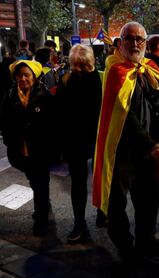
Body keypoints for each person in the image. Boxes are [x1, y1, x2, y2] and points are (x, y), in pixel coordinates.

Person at [92, 22, 159, 264]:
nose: (135, 44)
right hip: (122, 150)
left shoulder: (149, 67)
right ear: (120, 42)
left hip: (148, 149)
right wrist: (149, 144)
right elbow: (125, 115)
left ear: (145, 43)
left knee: (149, 197)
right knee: (117, 203)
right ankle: (125, 246)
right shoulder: (115, 70)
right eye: (130, 39)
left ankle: (147, 239)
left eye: (140, 39)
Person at [0, 60, 58, 236]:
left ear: (34, 77)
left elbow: (53, 125)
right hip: (20, 150)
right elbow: (4, 121)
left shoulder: (44, 96)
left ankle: (41, 220)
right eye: (20, 75)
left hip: (40, 150)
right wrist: (10, 141)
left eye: (27, 75)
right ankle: (43, 204)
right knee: (34, 180)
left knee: (41, 183)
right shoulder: (9, 96)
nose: (23, 78)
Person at [56, 44, 102, 244]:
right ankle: (79, 223)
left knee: (103, 177)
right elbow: (59, 110)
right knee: (78, 184)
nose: (79, 69)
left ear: (90, 63)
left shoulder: (100, 78)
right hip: (75, 139)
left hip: (99, 136)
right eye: (75, 65)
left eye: (83, 65)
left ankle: (104, 211)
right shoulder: (67, 80)